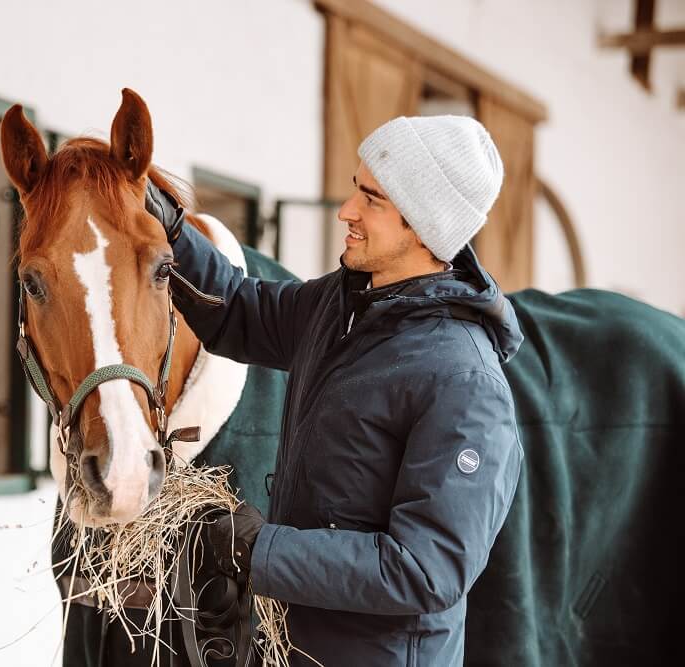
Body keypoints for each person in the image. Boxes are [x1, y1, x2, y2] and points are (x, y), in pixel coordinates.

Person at [145, 115, 525, 666]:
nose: (348, 211)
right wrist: (173, 232)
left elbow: (423, 571)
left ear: (423, 224)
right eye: (356, 188)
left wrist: (260, 549)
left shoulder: (465, 382)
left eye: (371, 199)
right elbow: (238, 312)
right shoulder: (342, 306)